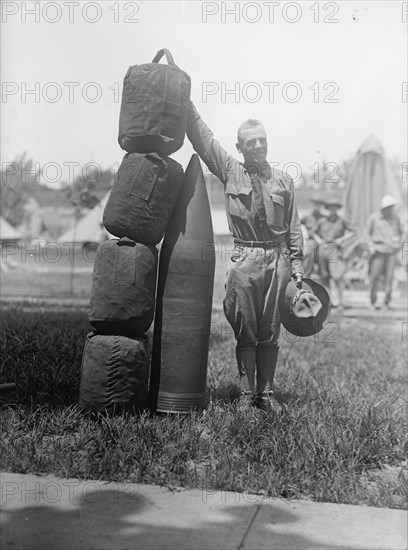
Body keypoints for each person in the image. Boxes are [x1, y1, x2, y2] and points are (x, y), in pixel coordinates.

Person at [186, 102, 303, 412]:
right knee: (246, 330)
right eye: (250, 142)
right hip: (245, 257)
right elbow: (204, 139)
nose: (258, 146)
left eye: (262, 140)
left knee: (271, 330)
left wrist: (297, 266)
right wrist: (185, 101)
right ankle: (245, 395)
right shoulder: (230, 170)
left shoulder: (283, 181)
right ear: (240, 147)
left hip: (277, 259)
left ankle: (266, 394)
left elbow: (293, 227)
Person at [316, 197, 354, 308]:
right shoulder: (322, 221)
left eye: (335, 208)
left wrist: (341, 240)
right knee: (324, 276)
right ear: (328, 209)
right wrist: (319, 240)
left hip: (335, 249)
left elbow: (352, 232)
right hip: (323, 248)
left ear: (338, 208)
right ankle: (329, 302)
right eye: (331, 208)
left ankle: (341, 302)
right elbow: (313, 232)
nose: (333, 210)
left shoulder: (342, 221)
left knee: (338, 277)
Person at [366, 195, 403, 309]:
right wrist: (371, 246)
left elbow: (402, 232)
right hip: (378, 251)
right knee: (375, 277)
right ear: (383, 208)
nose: (390, 209)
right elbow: (367, 234)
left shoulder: (395, 218)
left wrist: (399, 245)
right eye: (389, 207)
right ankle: (373, 302)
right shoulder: (374, 218)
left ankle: (387, 302)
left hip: (391, 252)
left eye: (392, 207)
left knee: (389, 278)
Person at [300, 193, 326, 278]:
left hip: (324, 241)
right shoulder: (307, 217)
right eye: (315, 204)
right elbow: (296, 224)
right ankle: (306, 274)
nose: (317, 206)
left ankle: (325, 275)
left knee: (329, 253)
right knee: (309, 251)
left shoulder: (325, 218)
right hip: (312, 241)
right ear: (312, 204)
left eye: (319, 204)